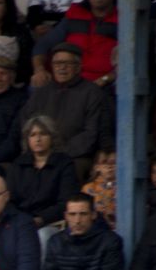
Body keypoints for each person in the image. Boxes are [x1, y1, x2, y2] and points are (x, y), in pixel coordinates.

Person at [16, 42, 112, 173]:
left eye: (68, 63)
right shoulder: (41, 93)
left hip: (74, 157)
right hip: (40, 154)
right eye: (57, 63)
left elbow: (91, 133)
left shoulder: (92, 93)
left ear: (78, 67)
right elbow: (26, 124)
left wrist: (59, 153)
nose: (62, 67)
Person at [31, 0, 116, 89]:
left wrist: (106, 79)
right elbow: (43, 44)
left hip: (104, 85)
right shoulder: (75, 13)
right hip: (68, 79)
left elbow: (128, 63)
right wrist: (39, 70)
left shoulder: (124, 20)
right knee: (35, 86)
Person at [5, 115, 77, 239]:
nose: (38, 139)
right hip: (21, 222)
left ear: (52, 137)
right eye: (33, 135)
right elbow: (9, 200)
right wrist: (23, 220)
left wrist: (41, 218)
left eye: (43, 134)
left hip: (52, 222)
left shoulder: (64, 163)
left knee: (42, 236)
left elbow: (66, 201)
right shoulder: (18, 165)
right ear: (27, 139)